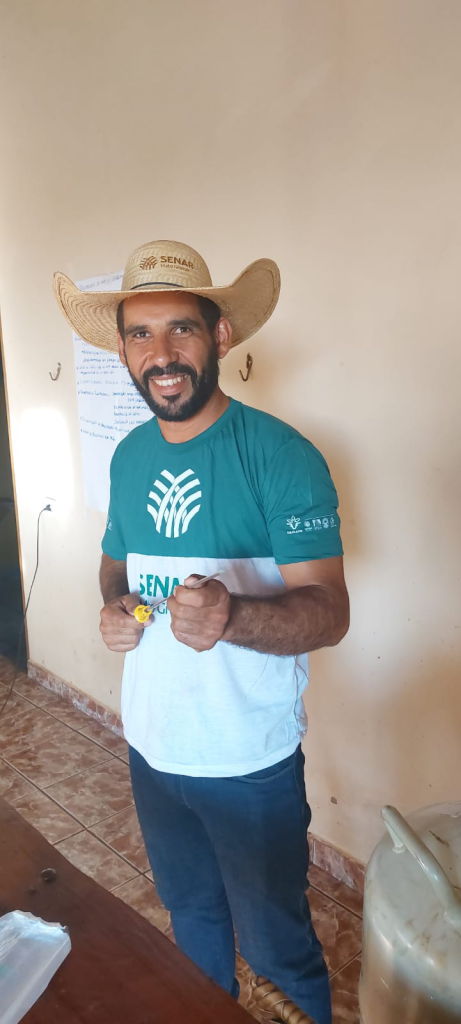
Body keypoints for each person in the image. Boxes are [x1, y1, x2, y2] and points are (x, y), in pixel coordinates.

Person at [54, 240, 349, 1024]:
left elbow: (330, 612)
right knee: (192, 927)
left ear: (219, 335)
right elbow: (114, 564)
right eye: (140, 334)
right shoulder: (129, 456)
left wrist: (233, 616)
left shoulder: (280, 456)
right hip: (152, 747)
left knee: (278, 951)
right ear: (122, 350)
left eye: (180, 328)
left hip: (247, 760)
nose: (161, 354)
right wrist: (116, 604)